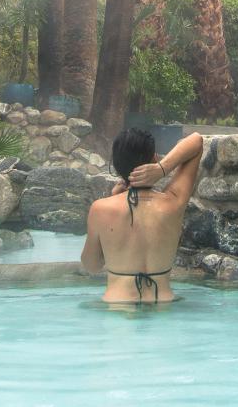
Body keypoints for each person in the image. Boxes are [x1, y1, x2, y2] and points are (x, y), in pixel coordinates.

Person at [79, 129, 204, 303]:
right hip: (163, 305)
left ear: (116, 165)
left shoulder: (100, 209)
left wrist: (112, 198)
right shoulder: (174, 203)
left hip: (118, 307)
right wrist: (162, 169)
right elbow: (197, 141)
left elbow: (92, 266)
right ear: (154, 159)